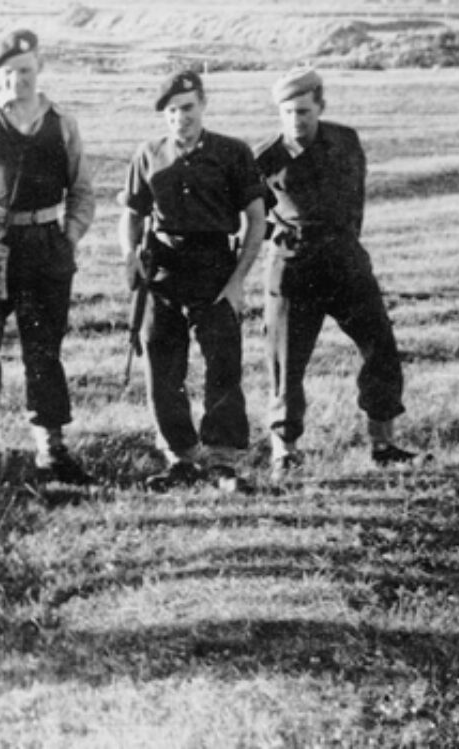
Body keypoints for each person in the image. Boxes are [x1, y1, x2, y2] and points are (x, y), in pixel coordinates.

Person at [0, 29, 96, 485]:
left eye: (26, 71)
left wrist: (66, 239)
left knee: (44, 349)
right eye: (9, 73)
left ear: (39, 69)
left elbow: (83, 190)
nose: (19, 81)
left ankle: (51, 450)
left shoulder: (63, 123)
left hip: (45, 248)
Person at [254, 65, 418, 481]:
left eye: (304, 112)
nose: (296, 121)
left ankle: (383, 443)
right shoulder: (265, 157)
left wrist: (345, 245)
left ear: (320, 107)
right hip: (294, 269)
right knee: (286, 364)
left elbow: (355, 201)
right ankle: (284, 452)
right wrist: (284, 239)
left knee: (381, 347)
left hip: (345, 263)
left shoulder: (345, 141)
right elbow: (252, 218)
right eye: (288, 112)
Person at [117, 70, 266, 492]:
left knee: (222, 364)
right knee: (162, 367)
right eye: (170, 111)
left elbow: (256, 220)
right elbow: (130, 215)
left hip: (214, 264)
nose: (179, 118)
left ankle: (222, 461)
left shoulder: (232, 152)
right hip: (163, 269)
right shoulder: (148, 154)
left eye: (186, 108)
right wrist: (130, 257)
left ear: (202, 104)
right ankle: (180, 457)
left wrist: (237, 281)